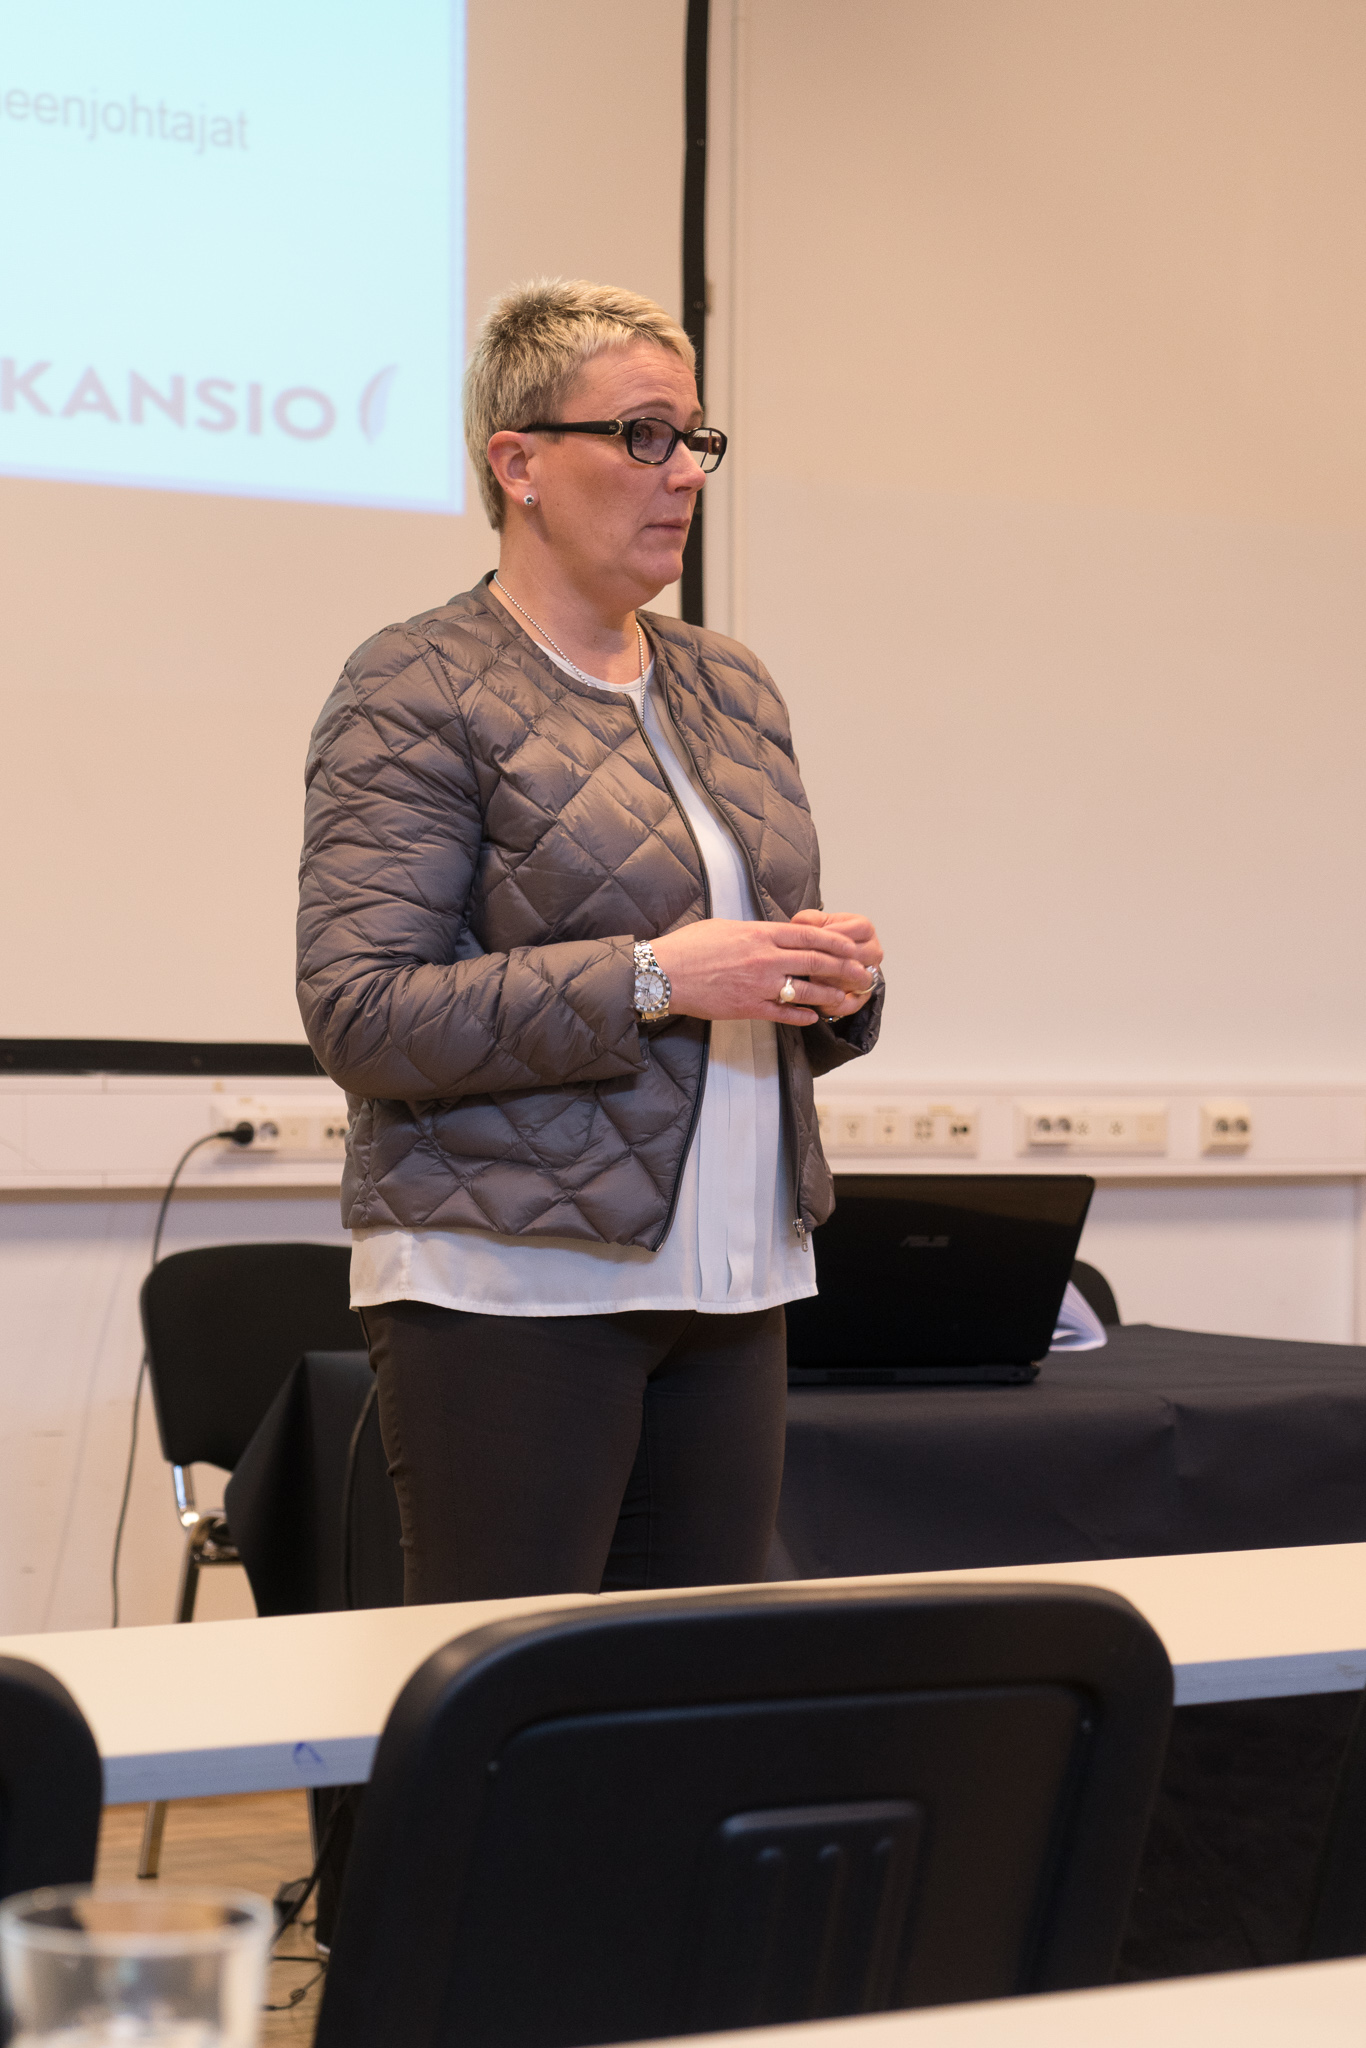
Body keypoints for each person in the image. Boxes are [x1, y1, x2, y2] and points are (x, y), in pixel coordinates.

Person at [297, 279, 884, 1604]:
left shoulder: (729, 684)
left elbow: (735, 969)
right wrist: (659, 976)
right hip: (508, 1281)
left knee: (690, 1690)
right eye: (641, 436)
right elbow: (362, 1013)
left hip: (734, 1272)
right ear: (518, 464)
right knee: (515, 1696)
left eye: (694, 439)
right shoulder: (414, 686)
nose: (684, 473)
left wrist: (825, 980)